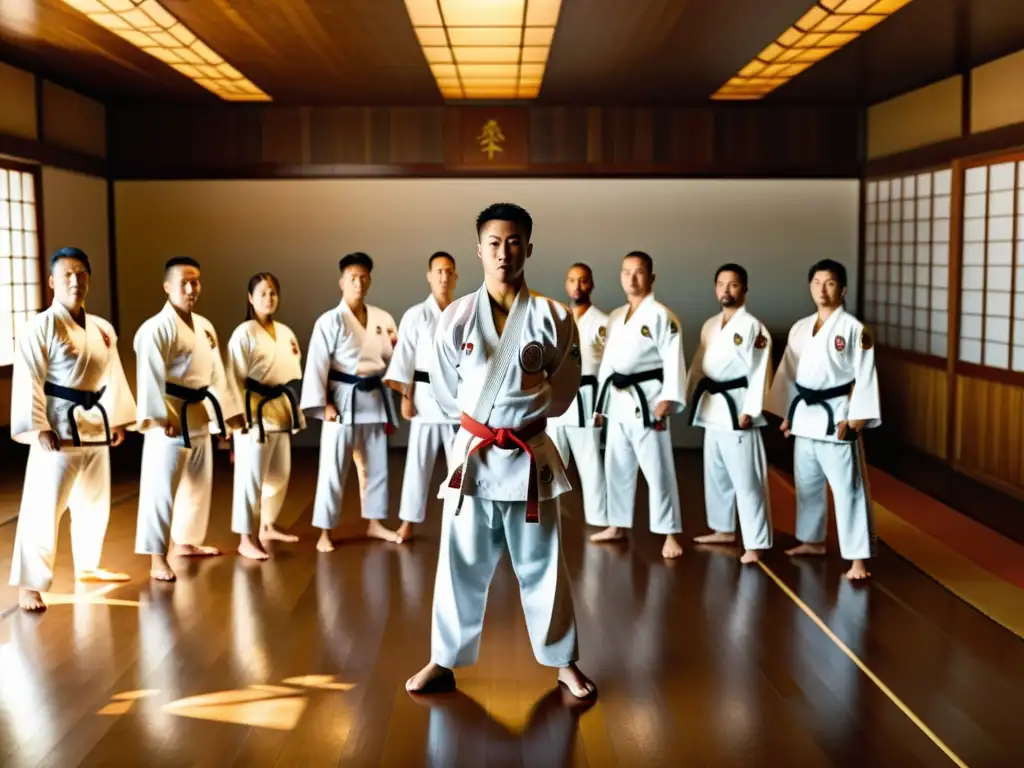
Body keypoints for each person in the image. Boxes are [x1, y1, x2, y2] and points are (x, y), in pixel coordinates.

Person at [405, 202, 595, 700]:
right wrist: (484, 422)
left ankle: (564, 662)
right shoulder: (456, 317)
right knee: (459, 564)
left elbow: (565, 388)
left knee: (544, 566)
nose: (504, 253)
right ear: (479, 250)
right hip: (475, 454)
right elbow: (445, 391)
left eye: (514, 242)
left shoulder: (553, 316)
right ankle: (442, 660)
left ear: (529, 247)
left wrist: (518, 420)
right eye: (493, 243)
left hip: (529, 455)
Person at [8, 247, 136, 612]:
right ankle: (29, 584)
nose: (75, 281)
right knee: (44, 507)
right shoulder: (40, 326)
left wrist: (118, 418)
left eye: (81, 274)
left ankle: (89, 566)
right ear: (52, 281)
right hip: (58, 428)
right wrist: (37, 428)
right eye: (66, 274)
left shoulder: (102, 329)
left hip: (95, 424)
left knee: (94, 504)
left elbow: (111, 376)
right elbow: (29, 377)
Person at [766, 258, 880, 580]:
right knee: (808, 484)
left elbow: (865, 376)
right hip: (805, 417)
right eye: (816, 282)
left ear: (842, 290)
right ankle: (812, 541)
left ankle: (858, 559)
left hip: (837, 418)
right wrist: (788, 414)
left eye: (829, 283)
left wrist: (856, 420)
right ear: (810, 287)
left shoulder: (855, 331)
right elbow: (788, 373)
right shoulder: (800, 328)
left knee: (848, 490)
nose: (822, 289)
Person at [134, 256, 244, 582]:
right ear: (167, 287)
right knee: (161, 488)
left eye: (195, 281)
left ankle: (186, 541)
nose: (190, 288)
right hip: (169, 416)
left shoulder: (206, 327)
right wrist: (160, 417)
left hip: (198, 414)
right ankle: (157, 556)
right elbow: (149, 377)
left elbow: (218, 377)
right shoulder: (155, 328)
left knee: (198, 483)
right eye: (183, 282)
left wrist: (228, 415)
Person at [300, 252, 402, 551]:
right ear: (342, 281)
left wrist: (398, 389)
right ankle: (325, 531)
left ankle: (374, 522)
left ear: (370, 280)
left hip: (373, 399)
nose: (358, 283)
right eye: (352, 278)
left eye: (363, 277)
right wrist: (323, 404)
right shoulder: (329, 321)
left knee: (376, 466)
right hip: (342, 402)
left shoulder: (383, 318)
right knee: (333, 468)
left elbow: (394, 359)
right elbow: (318, 365)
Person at [591, 251, 686, 559]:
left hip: (647, 403)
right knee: (615, 466)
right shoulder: (616, 316)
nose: (632, 278)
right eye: (626, 272)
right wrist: (600, 407)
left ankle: (670, 533)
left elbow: (674, 359)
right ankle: (616, 525)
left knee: (658, 470)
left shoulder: (662, 315)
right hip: (618, 403)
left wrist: (667, 399)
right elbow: (608, 365)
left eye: (639, 272)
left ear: (651, 277)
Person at [687, 264, 774, 564]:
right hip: (713, 408)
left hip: (738, 409)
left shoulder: (753, 327)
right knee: (716, 474)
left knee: (747, 479)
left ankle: (756, 542)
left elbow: (761, 371)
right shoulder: (710, 325)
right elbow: (699, 365)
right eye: (721, 284)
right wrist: (686, 395)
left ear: (744, 290)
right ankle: (723, 529)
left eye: (733, 284)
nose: (726, 290)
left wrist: (751, 409)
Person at [227, 273, 306, 561]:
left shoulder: (285, 332)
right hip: (253, 410)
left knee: (278, 474)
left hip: (280, 407)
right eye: (262, 293)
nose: (268, 298)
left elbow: (291, 369)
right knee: (251, 477)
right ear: (250, 298)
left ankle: (267, 525)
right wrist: (235, 416)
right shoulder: (244, 333)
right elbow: (234, 377)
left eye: (273, 293)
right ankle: (245, 536)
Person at [383, 251, 459, 542]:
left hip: (456, 399)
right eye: (438, 271)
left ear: (455, 276)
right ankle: (408, 522)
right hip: (425, 398)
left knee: (461, 467)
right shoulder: (415, 315)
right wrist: (405, 395)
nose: (443, 276)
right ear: (429, 276)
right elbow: (405, 358)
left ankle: (460, 523)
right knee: (417, 465)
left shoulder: (465, 312)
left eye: (448, 271)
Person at [545, 263, 609, 530]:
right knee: (549, 461)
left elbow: (610, 367)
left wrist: (602, 408)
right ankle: (547, 513)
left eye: (583, 281)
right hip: (557, 398)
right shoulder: (559, 319)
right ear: (566, 285)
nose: (577, 286)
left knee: (590, 462)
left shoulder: (603, 322)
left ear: (591, 284)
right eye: (572, 280)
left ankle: (599, 519)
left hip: (586, 398)